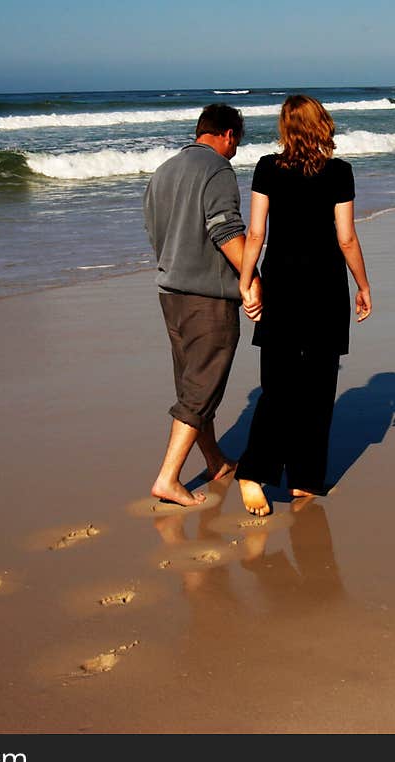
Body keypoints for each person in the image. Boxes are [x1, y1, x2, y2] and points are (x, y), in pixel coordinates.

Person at [235, 95, 372, 516]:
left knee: (278, 384)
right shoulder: (339, 172)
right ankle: (289, 477)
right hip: (326, 287)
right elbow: (346, 237)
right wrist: (363, 286)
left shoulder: (266, 167)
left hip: (281, 284)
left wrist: (246, 281)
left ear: (285, 128)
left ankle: (275, 474)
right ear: (323, 125)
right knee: (317, 387)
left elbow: (255, 233)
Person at [143, 104, 262, 507]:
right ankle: (168, 478)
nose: (236, 151)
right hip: (207, 298)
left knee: (193, 383)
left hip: (170, 293)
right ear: (228, 134)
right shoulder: (217, 169)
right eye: (237, 142)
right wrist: (252, 278)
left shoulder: (163, 171)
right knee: (201, 388)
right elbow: (226, 228)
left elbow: (153, 229)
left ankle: (214, 462)